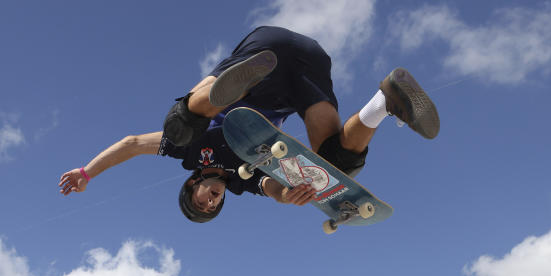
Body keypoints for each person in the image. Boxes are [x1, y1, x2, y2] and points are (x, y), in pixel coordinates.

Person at [60, 26, 438, 223]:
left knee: (180, 128)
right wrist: (288, 196)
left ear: (193, 183)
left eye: (203, 200)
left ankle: (225, 92)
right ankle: (385, 102)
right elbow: (271, 186)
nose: (213, 199)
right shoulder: (241, 181)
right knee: (335, 162)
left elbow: (130, 144)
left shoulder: (187, 154)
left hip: (264, 53)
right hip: (307, 66)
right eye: (214, 206)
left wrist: (86, 173)